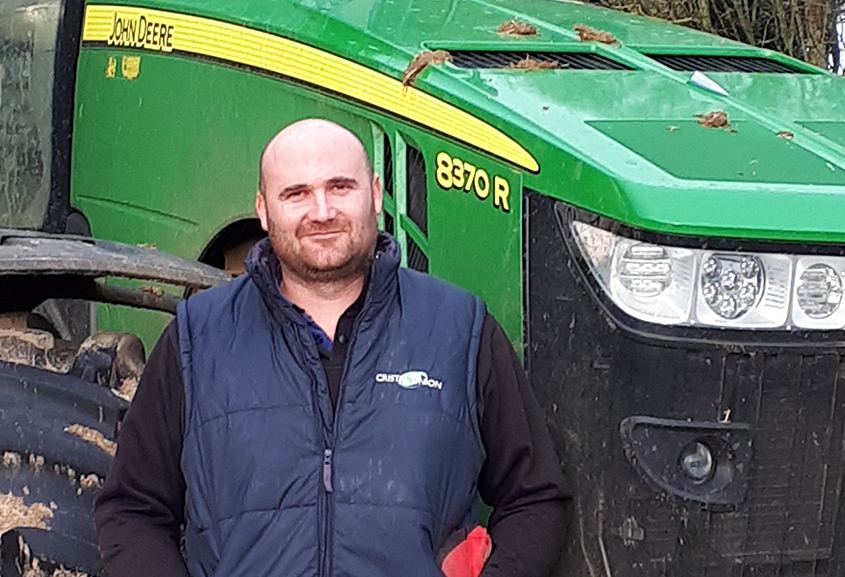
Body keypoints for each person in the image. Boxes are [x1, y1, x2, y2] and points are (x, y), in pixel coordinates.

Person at [94, 119, 572, 577]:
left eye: (340, 187)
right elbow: (132, 509)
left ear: (376, 195)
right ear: (263, 209)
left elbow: (535, 498)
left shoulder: (459, 329)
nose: (321, 211)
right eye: (296, 193)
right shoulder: (198, 338)